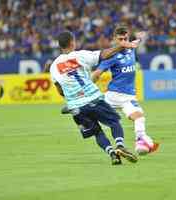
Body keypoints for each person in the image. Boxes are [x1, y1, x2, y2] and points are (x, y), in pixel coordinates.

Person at [50, 31, 139, 165]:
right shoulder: (80, 55)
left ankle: (112, 154)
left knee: (97, 132)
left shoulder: (53, 67)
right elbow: (104, 54)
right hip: (93, 99)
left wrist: (72, 97)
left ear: (60, 45)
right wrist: (124, 46)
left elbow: (60, 91)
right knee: (115, 122)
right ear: (72, 42)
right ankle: (120, 146)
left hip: (76, 107)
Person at [90, 25, 159, 154]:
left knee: (139, 117)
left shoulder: (131, 48)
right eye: (120, 39)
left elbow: (137, 41)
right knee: (90, 114)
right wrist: (88, 86)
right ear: (115, 39)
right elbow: (96, 74)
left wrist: (139, 38)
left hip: (128, 97)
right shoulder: (112, 56)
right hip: (113, 95)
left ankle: (140, 142)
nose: (123, 42)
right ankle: (144, 141)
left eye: (125, 38)